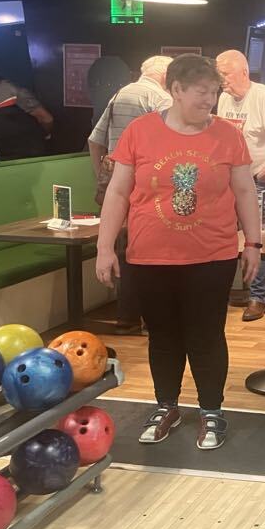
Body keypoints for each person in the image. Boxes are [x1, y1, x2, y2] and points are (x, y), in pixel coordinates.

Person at [95, 54, 262, 451]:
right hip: (150, 256)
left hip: (212, 256)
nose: (210, 100)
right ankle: (166, 405)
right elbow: (118, 192)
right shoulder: (139, 132)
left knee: (207, 335)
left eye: (214, 92)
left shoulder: (228, 135)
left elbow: (244, 191)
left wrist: (253, 243)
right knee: (163, 336)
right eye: (201, 92)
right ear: (176, 90)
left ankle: (212, 410)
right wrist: (105, 247)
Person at [88, 55, 173, 336]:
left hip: (117, 181)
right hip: (146, 183)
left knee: (126, 247)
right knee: (150, 247)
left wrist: (102, 176)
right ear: (166, 77)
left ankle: (127, 316)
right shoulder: (161, 99)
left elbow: (94, 141)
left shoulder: (119, 94)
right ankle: (152, 318)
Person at [216, 50, 265, 323]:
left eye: (225, 74)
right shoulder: (224, 99)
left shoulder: (264, 96)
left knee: (258, 236)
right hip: (237, 178)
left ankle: (258, 296)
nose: (222, 80)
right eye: (219, 74)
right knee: (249, 234)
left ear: (244, 72)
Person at [0, 58, 53, 161]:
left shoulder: (14, 92)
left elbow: (46, 119)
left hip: (26, 156)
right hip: (3, 155)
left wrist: (44, 137)